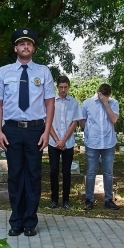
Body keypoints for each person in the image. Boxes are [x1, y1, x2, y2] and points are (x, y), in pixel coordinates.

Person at [0, 28, 55, 237]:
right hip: (11, 129)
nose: (25, 46)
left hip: (36, 129)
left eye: (29, 43)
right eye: (21, 43)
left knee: (33, 175)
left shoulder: (43, 72)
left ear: (33, 48)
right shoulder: (4, 72)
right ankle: (16, 221)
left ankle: (30, 221)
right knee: (15, 175)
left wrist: (47, 132)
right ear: (15, 48)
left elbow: (49, 103)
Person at [80, 83, 120, 211]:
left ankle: (108, 200)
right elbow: (82, 121)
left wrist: (106, 104)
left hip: (108, 143)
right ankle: (89, 200)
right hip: (93, 142)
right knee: (91, 172)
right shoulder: (87, 103)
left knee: (108, 172)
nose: (105, 98)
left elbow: (113, 119)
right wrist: (89, 132)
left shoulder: (113, 103)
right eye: (103, 96)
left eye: (107, 96)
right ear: (98, 93)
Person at [48, 76, 83, 209]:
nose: (63, 90)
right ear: (57, 87)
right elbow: (48, 122)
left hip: (68, 143)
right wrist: (57, 140)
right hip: (53, 142)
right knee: (54, 172)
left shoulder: (73, 102)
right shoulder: (51, 102)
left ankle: (66, 200)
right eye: (61, 87)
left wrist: (63, 140)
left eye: (65, 87)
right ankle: (54, 200)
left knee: (67, 172)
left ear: (68, 87)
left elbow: (75, 123)